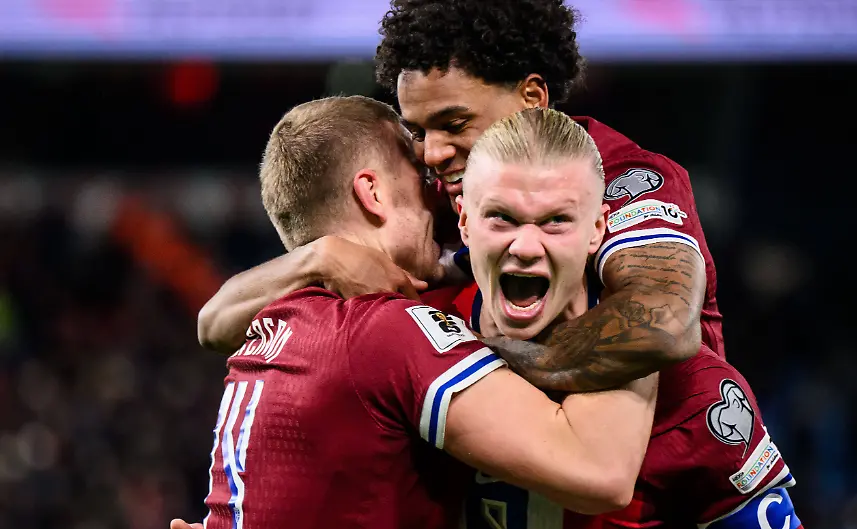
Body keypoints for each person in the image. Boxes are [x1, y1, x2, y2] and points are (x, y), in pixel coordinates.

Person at [166, 108, 821, 529]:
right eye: (501, 219)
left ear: (598, 230)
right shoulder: (409, 331)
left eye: (556, 222)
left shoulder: (695, 394)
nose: (526, 245)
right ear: (470, 227)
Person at [195, 0, 722, 395]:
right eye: (419, 131)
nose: (431, 154)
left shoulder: (626, 177)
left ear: (532, 98)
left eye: (454, 123)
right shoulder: (446, 208)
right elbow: (215, 324)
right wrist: (320, 258)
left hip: (674, 521)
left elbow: (664, 323)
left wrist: (457, 359)